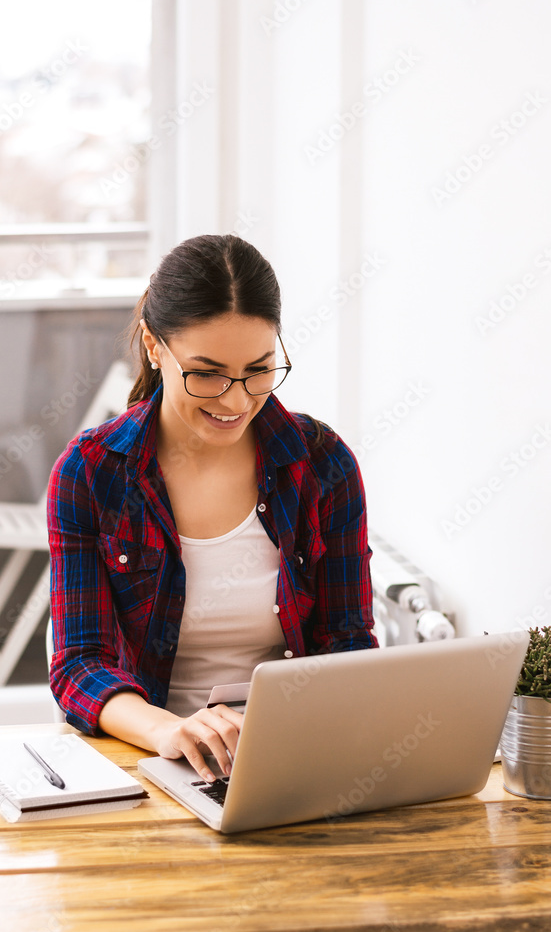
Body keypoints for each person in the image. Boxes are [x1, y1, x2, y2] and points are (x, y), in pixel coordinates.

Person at [47, 234, 377, 783]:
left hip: (290, 755)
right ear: (155, 348)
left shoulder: (323, 464)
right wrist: (168, 730)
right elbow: (80, 665)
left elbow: (347, 640)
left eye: (259, 369)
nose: (235, 399)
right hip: (144, 754)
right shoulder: (91, 473)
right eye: (206, 373)